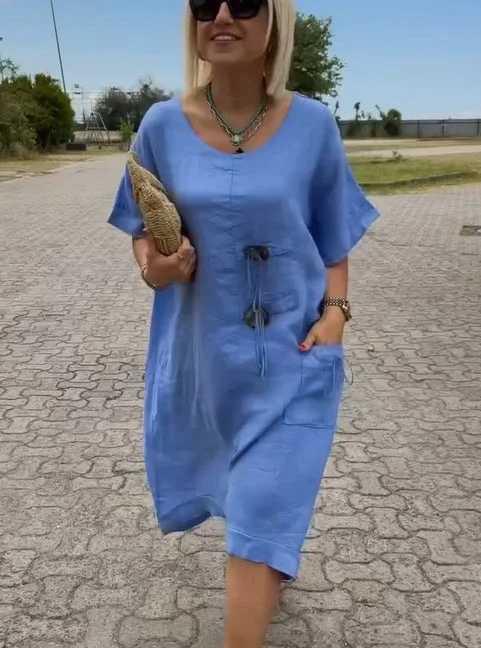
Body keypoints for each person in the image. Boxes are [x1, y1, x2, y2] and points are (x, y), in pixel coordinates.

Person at [107, 0, 378, 646]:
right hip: (205, 364)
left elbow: (333, 240)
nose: (223, 13)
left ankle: (259, 573)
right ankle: (269, 562)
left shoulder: (312, 125)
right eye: (206, 2)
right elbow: (143, 232)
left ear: (274, 21)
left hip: (293, 361)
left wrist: (336, 314)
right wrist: (157, 268)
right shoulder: (161, 126)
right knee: (256, 514)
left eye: (246, 1)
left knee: (255, 515)